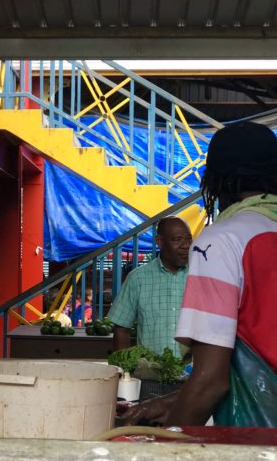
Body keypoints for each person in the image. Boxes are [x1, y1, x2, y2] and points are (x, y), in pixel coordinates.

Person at [121, 121, 277, 427]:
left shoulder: (220, 241)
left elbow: (210, 382)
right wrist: (169, 403)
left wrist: (165, 445)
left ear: (216, 182)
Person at [107, 216, 192, 358]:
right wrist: (126, 370)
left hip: (193, 375)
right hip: (150, 374)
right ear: (160, 242)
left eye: (188, 239)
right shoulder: (138, 278)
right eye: (177, 240)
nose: (186, 245)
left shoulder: (200, 276)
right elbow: (121, 329)